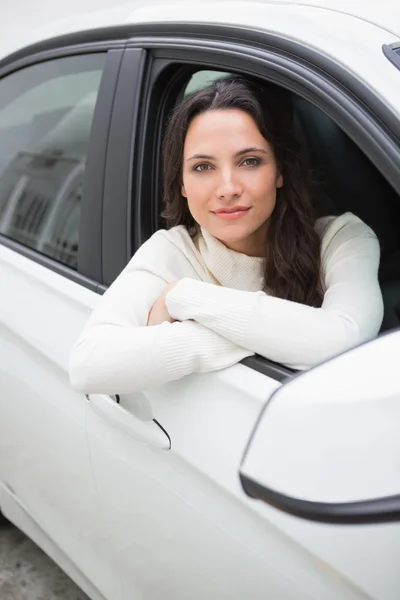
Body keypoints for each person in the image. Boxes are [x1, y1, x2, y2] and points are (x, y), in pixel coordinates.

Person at [69, 76, 383, 395]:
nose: (228, 188)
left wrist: (184, 297)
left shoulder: (340, 237)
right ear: (181, 184)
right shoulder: (171, 252)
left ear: (279, 171)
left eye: (249, 161)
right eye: (203, 167)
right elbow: (88, 366)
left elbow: (347, 339)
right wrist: (280, 337)